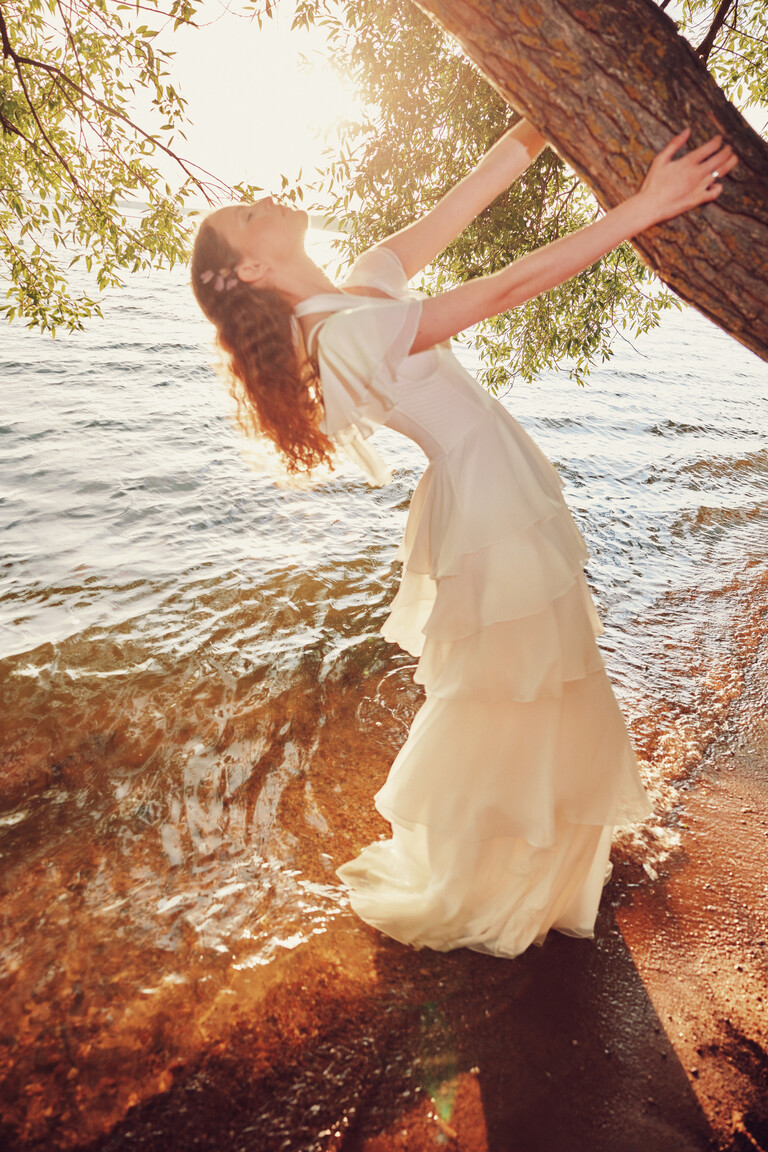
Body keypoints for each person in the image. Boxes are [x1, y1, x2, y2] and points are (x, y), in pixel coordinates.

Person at [191, 121, 737, 958]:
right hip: (488, 513)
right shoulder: (341, 338)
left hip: (492, 493)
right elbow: (507, 289)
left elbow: (472, 194)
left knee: (536, 688)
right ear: (256, 267)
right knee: (513, 694)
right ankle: (495, 881)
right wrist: (644, 207)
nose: (263, 199)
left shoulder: (361, 288)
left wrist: (542, 118)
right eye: (247, 215)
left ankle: (541, 862)